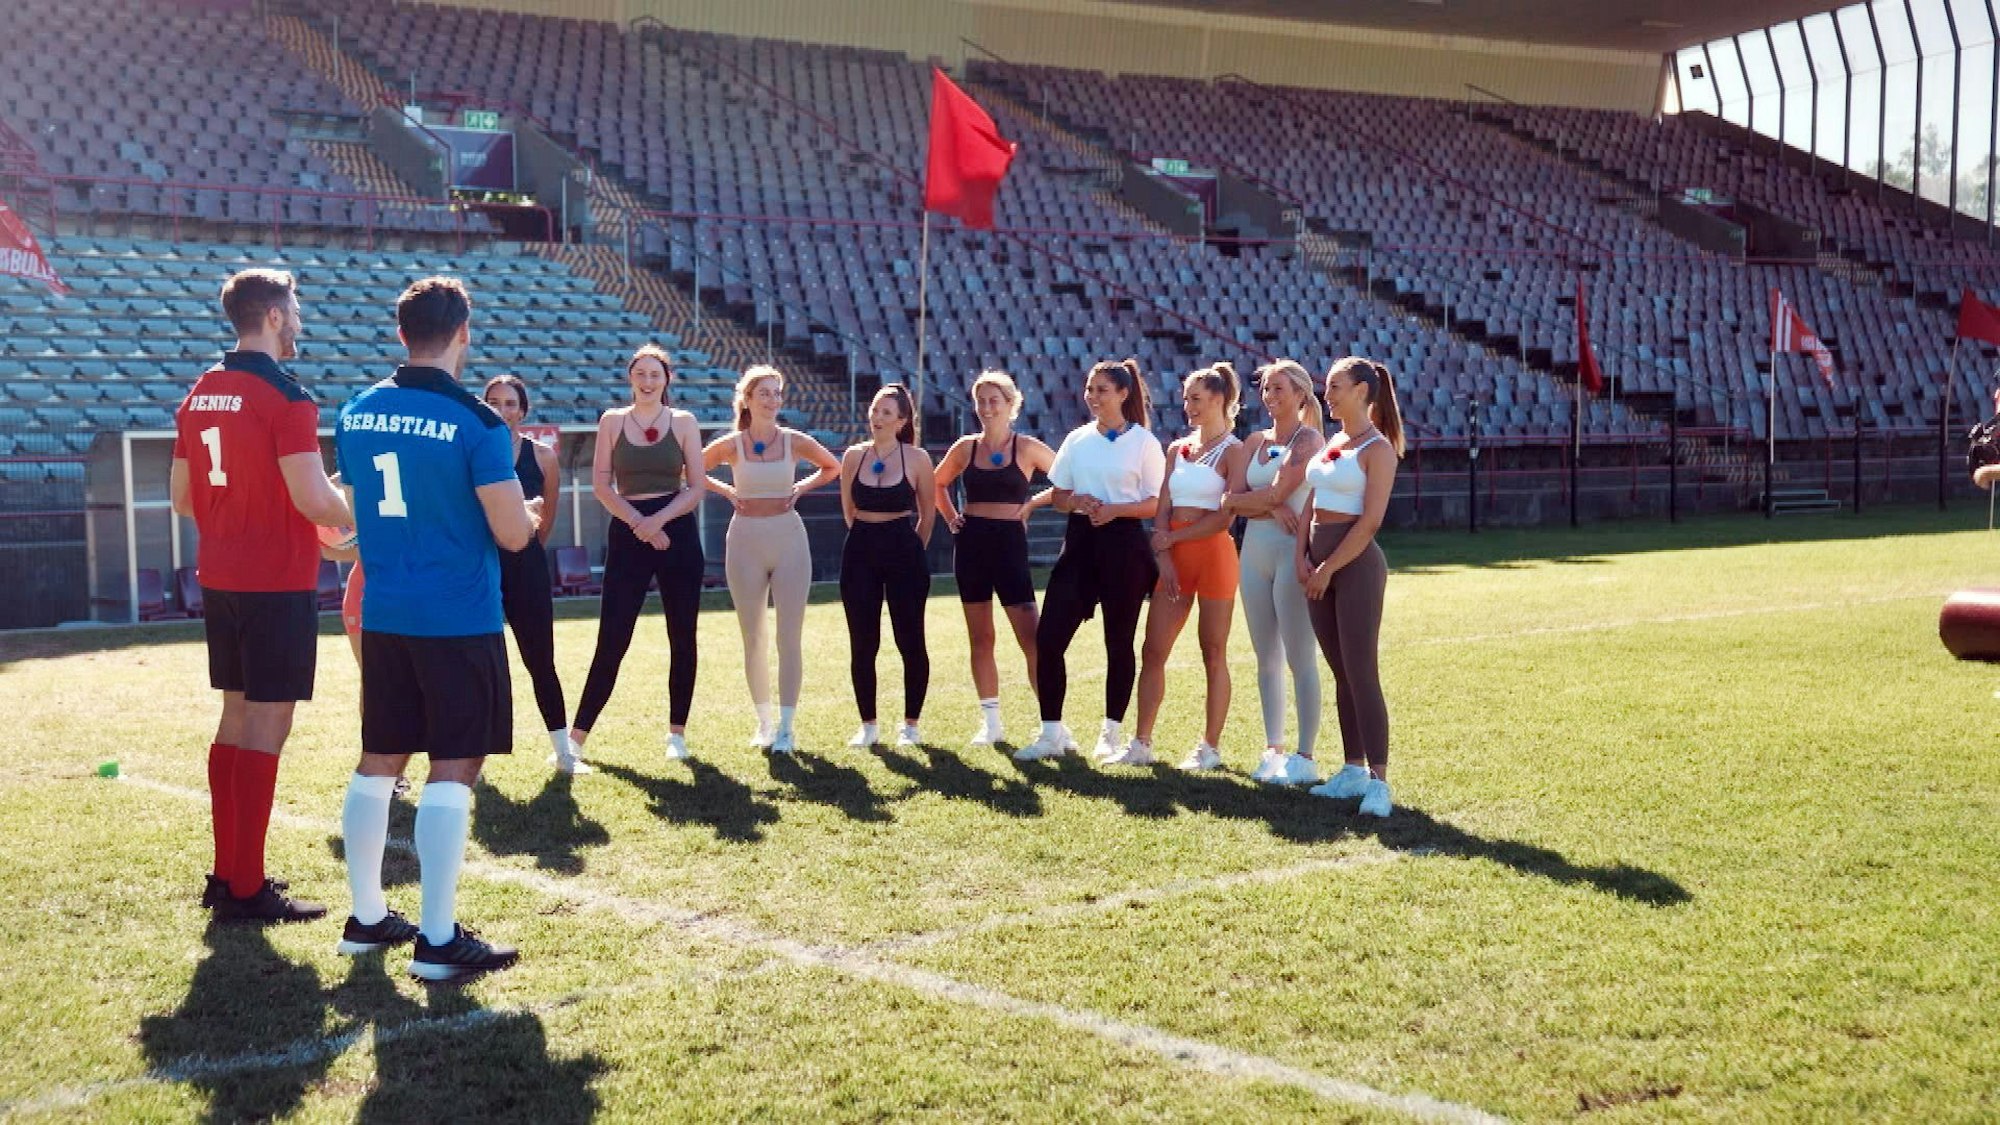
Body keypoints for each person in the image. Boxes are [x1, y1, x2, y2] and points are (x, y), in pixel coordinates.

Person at [334, 276, 540, 980]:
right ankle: (439, 938)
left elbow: (357, 514)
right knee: (455, 764)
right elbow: (512, 534)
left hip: (386, 611)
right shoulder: (478, 422)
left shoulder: (357, 411)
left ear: (401, 334)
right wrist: (529, 516)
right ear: (463, 333)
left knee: (379, 759)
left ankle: (366, 917)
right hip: (456, 616)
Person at [171, 267, 351, 925]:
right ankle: (246, 887)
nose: (298, 320)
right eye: (294, 309)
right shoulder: (286, 396)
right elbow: (313, 498)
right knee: (268, 726)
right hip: (275, 581)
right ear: (273, 316)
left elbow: (182, 498)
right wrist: (360, 521)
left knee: (236, 717)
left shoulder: (199, 392)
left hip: (221, 576)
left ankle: (227, 875)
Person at [1015, 359, 1165, 762]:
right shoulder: (1077, 439)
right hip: (1079, 545)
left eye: (1102, 390)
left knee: (1119, 642)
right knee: (1049, 639)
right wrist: (1075, 500)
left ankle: (1110, 733)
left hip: (1125, 547)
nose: (1092, 397)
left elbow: (1156, 503)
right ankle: (1051, 734)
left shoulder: (1144, 443)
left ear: (1123, 394)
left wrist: (1116, 510)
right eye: (1089, 389)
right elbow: (1059, 495)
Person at [569, 346, 708, 761]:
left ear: (666, 379)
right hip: (628, 530)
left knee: (682, 635)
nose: (648, 381)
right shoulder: (612, 421)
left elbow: (697, 487)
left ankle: (677, 735)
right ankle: (575, 740)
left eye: (655, 374)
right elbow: (601, 486)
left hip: (676, 530)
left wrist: (658, 521)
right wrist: (639, 523)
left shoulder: (684, 422)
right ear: (630, 378)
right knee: (612, 637)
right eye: (641, 374)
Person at [701, 365, 841, 754]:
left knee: (788, 637)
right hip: (744, 542)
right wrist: (728, 491)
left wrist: (800, 487)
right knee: (754, 637)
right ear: (747, 399)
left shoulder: (795, 441)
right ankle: (763, 723)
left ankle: (787, 728)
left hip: (789, 540)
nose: (772, 400)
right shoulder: (732, 444)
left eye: (777, 393)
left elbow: (832, 466)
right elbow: (690, 470)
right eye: (764, 393)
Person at [1125, 363, 1249, 769]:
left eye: (1195, 398)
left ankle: (1209, 747)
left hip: (1214, 556)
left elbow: (1225, 517)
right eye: (1185, 399)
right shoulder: (1176, 448)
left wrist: (1173, 540)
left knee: (1213, 650)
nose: (1188, 406)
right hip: (1174, 560)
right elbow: (1163, 507)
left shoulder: (1234, 451)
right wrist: (1164, 556)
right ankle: (1141, 743)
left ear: (1218, 399)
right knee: (1153, 649)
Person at [1297, 357, 1405, 817]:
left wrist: (1327, 568)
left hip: (1356, 566)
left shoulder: (1378, 450)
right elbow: (1311, 502)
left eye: (1335, 386)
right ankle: (1352, 769)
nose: (1327, 394)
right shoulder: (1334, 441)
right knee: (1340, 671)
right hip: (1317, 564)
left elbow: (1371, 521)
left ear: (1362, 390)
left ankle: (1379, 782)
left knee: (1361, 672)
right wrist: (1301, 557)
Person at [932, 371, 1056, 746]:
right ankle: (991, 724)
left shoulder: (1027, 447)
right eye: (981, 401)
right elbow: (936, 482)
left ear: (1010, 404)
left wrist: (1032, 503)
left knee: (1032, 638)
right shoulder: (965, 448)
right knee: (981, 637)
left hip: (1009, 545)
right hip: (971, 545)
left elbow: (1069, 479)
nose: (987, 408)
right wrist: (951, 517)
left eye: (994, 401)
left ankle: (1052, 724)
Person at [1220, 360, 1325, 785]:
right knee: (1266, 657)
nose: (1270, 396)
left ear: (1300, 394)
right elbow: (1229, 499)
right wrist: (1270, 505)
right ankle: (1273, 748)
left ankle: (1306, 755)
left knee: (1300, 656)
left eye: (1279, 388)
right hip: (1254, 552)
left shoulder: (1309, 439)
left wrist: (1266, 500)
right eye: (1266, 389)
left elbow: (1274, 491)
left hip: (1291, 552)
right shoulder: (1254, 440)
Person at [481, 375, 579, 774]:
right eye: (494, 402)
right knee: (483, 662)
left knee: (540, 660)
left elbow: (547, 517)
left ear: (522, 411)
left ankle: (563, 751)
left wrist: (523, 544)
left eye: (510, 403)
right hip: (481, 566)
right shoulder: (471, 453)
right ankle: (476, 757)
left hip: (526, 565)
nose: (502, 410)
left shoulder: (542, 456)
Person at [838, 384, 936, 748]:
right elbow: (848, 510)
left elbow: (927, 514)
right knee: (863, 642)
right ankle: (868, 725)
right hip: (860, 550)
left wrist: (911, 550)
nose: (877, 417)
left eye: (886, 412)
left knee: (910, 639)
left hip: (903, 552)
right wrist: (869, 538)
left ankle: (910, 725)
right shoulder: (853, 456)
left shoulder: (917, 458)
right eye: (875, 410)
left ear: (902, 421)